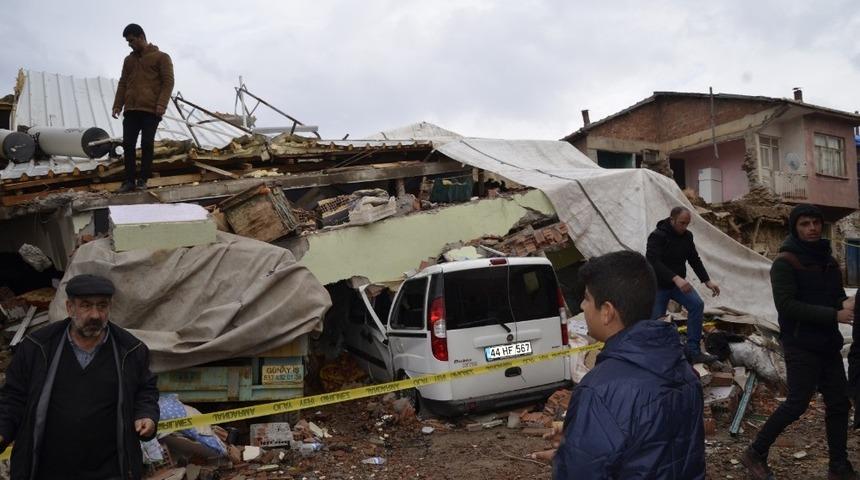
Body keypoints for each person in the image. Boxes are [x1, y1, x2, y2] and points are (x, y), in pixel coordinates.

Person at [553, 251, 705, 479]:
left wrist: (569, 458)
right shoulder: (683, 370)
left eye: (586, 298)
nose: (583, 306)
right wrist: (573, 449)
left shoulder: (599, 391)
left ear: (607, 312)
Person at [0, 274, 159, 480]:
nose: (95, 315)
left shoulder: (130, 350)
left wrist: (146, 415)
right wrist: (3, 430)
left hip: (110, 468)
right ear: (69, 308)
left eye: (102, 306)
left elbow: (145, 390)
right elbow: (13, 397)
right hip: (48, 468)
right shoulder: (38, 347)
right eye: (85, 306)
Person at [742, 204, 856, 480]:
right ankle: (755, 452)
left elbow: (836, 294)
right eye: (805, 223)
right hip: (800, 343)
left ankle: (838, 466)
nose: (813, 228)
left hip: (828, 343)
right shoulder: (785, 262)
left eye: (816, 223)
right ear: (795, 227)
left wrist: (847, 303)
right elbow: (787, 306)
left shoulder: (827, 259)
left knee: (840, 404)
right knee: (797, 403)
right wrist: (835, 313)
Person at [646, 206, 720, 364]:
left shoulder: (687, 236)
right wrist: (675, 278)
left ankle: (693, 351)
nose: (684, 227)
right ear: (672, 220)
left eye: (687, 224)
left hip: (678, 286)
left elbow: (694, 259)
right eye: (682, 223)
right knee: (656, 322)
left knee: (697, 305)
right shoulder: (657, 236)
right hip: (658, 286)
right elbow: (653, 261)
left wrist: (707, 280)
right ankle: (655, 359)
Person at [112, 23, 174, 193]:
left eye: (131, 40)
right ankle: (129, 181)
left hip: (151, 111)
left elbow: (168, 82)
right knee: (128, 145)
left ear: (141, 37)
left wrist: (162, 104)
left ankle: (143, 180)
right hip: (131, 110)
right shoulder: (128, 60)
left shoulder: (161, 57)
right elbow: (123, 83)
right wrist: (118, 105)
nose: (129, 44)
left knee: (147, 144)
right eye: (127, 41)